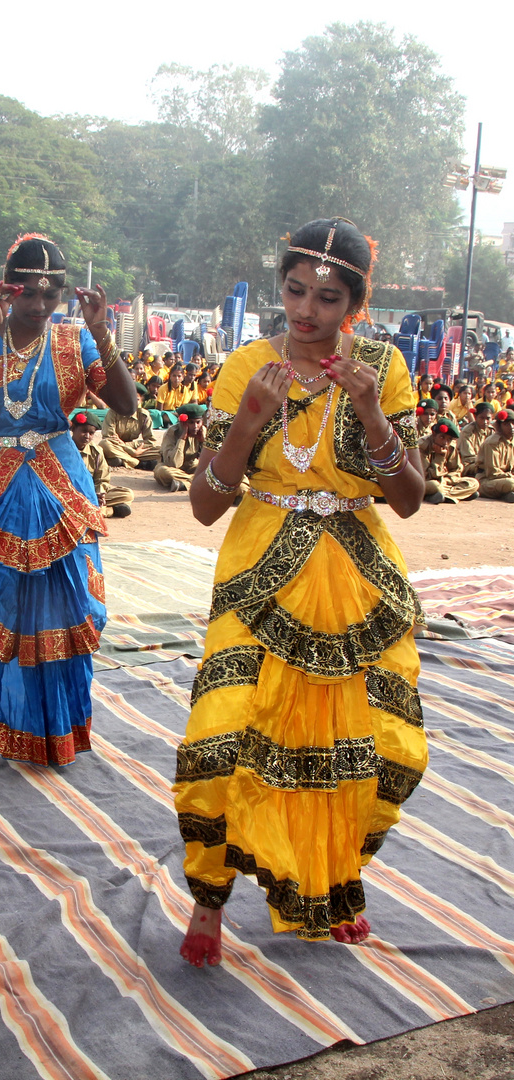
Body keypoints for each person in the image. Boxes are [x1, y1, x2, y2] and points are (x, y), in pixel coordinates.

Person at [175, 217, 427, 966]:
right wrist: (247, 419)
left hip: (352, 573)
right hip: (259, 563)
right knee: (223, 732)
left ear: (353, 300)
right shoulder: (247, 365)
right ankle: (207, 896)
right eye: (294, 290)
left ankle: (331, 880)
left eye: (326, 296)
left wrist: (372, 413)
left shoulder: (380, 367)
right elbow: (203, 503)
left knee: (356, 738)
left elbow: (408, 499)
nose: (307, 309)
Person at [0, 233, 138, 765]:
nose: (39, 307)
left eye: (50, 296)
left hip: (60, 482)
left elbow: (127, 404)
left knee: (67, 602)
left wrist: (102, 332)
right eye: (28, 295)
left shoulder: (75, 340)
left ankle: (54, 728)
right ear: (7, 290)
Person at [70, 411, 132, 518]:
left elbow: (102, 478)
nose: (87, 436)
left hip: (91, 494)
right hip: (69, 494)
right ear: (73, 428)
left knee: (127, 494)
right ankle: (109, 511)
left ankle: (94, 509)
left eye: (91, 433)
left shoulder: (96, 451)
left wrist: (100, 494)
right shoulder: (63, 451)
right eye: (83, 431)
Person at [419, 418, 478, 504]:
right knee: (435, 486)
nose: (445, 442)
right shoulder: (421, 447)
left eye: (449, 439)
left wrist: (447, 480)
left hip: (444, 481)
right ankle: (459, 494)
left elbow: (456, 470)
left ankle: (443, 496)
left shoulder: (450, 447)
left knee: (474, 483)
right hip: (425, 482)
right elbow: (427, 476)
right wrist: (440, 456)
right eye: (442, 437)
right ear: (434, 434)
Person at [99, 389, 161, 469]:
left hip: (128, 448)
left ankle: (120, 460)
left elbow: (151, 441)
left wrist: (131, 447)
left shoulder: (144, 415)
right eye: (130, 398)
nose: (133, 402)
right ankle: (138, 464)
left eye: (137, 399)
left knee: (160, 451)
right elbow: (109, 437)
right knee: (105, 444)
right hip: (115, 446)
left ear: (141, 401)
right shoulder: (113, 412)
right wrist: (132, 452)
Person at [154, 404, 205, 492]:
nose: (195, 426)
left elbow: (209, 460)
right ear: (183, 423)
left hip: (191, 466)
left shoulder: (202, 431)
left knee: (211, 471)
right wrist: (182, 439)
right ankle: (196, 481)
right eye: (191, 422)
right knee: (162, 472)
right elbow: (174, 464)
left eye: (198, 422)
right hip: (171, 468)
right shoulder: (171, 432)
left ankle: (184, 483)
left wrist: (203, 442)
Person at [478, 409, 514, 502]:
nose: (511, 427)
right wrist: (510, 476)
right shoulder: (493, 443)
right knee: (510, 483)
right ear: (499, 426)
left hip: (505, 478)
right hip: (487, 480)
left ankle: (507, 495)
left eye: (513, 423)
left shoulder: (512, 440)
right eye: (506, 424)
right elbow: (492, 473)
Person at [460, 401, 493, 477]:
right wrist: (487, 461)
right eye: (481, 418)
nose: (485, 422)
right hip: (470, 464)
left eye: (488, 418)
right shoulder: (467, 432)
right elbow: (469, 457)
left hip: (487, 462)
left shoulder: (491, 430)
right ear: (475, 417)